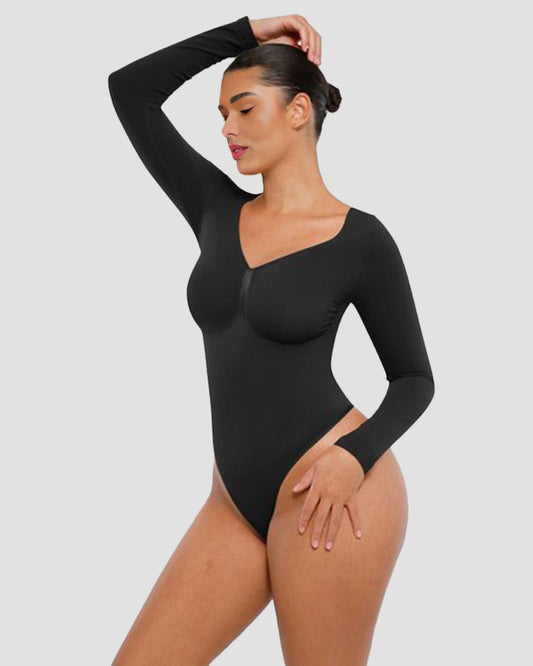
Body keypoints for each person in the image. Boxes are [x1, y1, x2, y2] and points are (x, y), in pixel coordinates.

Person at [108, 13, 435, 665]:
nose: (227, 129)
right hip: (232, 501)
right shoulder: (214, 209)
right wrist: (246, 32)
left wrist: (353, 457)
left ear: (298, 111)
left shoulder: (362, 240)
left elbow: (413, 380)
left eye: (245, 108)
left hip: (332, 487)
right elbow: (130, 89)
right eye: (222, 113)